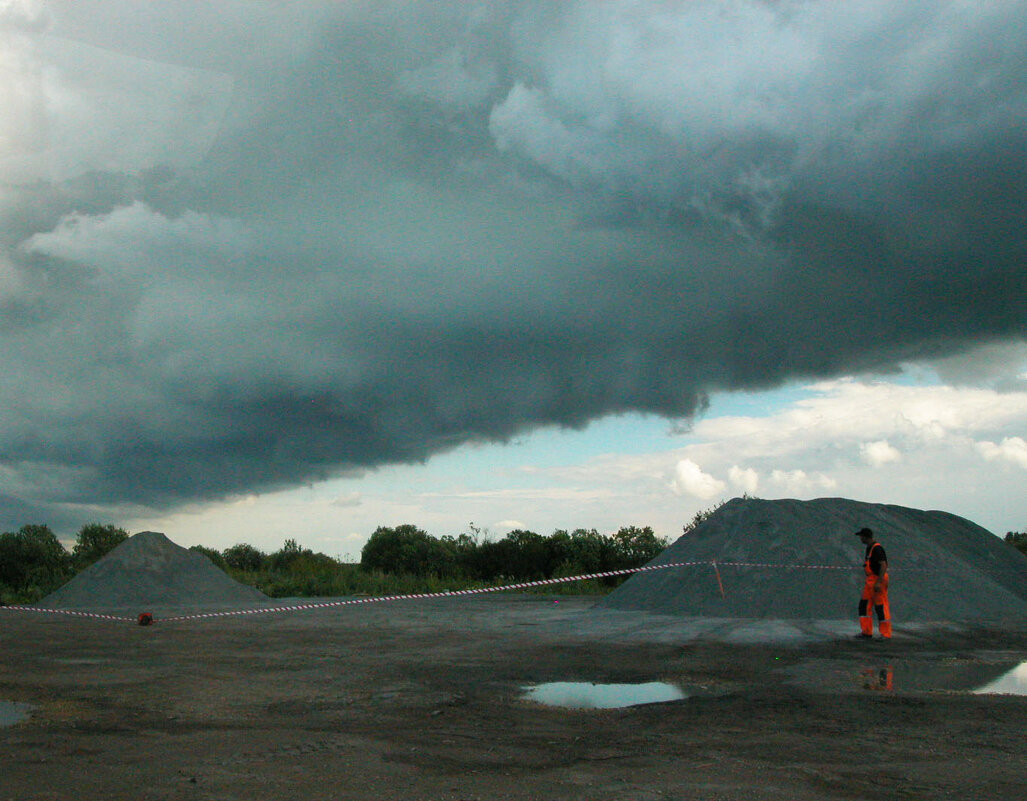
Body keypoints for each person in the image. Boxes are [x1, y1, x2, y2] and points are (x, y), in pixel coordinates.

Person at [855, 527, 891, 639]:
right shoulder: (869, 548)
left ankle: (885, 633)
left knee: (880, 606)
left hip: (877, 579)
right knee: (864, 606)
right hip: (870, 580)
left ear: (866, 537)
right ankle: (866, 632)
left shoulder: (877, 549)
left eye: (861, 536)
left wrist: (879, 582)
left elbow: (883, 565)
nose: (860, 538)